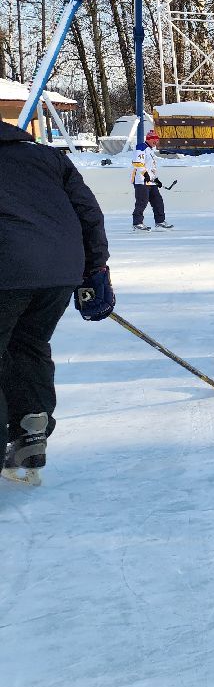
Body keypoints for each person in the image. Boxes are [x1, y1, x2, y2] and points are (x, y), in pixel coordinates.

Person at [0, 119, 113, 485]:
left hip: (7, 268)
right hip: (59, 269)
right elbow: (87, 212)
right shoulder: (48, 158)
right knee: (28, 344)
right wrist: (95, 269)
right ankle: (30, 429)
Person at [131, 129, 173, 231]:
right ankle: (137, 223)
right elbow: (137, 162)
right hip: (141, 180)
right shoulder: (141, 147)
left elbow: (151, 167)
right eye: (154, 139)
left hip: (150, 181)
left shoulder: (151, 150)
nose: (156, 142)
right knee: (142, 202)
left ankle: (160, 221)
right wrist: (145, 174)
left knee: (158, 201)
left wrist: (156, 179)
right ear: (149, 139)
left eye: (157, 140)